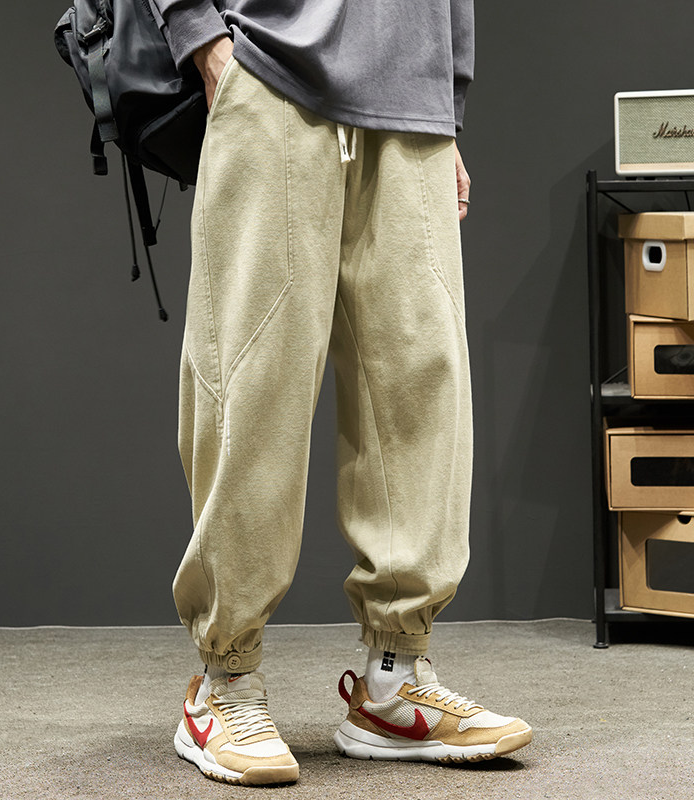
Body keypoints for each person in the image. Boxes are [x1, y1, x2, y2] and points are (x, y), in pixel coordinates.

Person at [152, 0, 532, 786]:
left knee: (419, 390)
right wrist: (202, 39)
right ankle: (224, 681)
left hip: (413, 101)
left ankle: (393, 681)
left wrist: (447, 100)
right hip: (273, 71)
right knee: (253, 385)